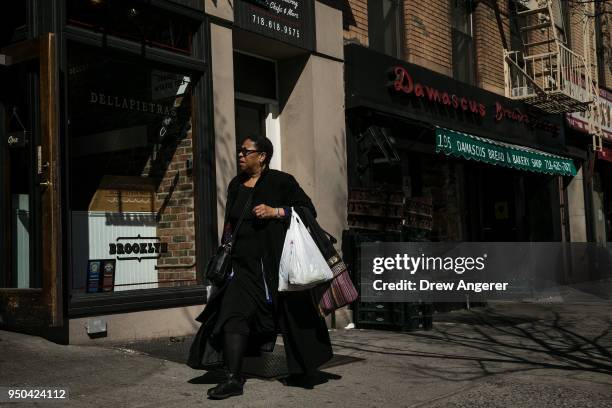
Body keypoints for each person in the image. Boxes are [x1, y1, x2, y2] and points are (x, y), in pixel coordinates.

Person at [188, 135, 333, 400]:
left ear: (262, 156)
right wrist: (225, 251)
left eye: (246, 151)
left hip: (277, 265)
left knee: (292, 317)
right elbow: (230, 224)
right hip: (241, 268)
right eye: (239, 151)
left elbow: (308, 210)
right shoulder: (236, 184)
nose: (240, 155)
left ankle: (304, 369)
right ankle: (233, 378)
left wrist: (276, 212)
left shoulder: (282, 182)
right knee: (232, 313)